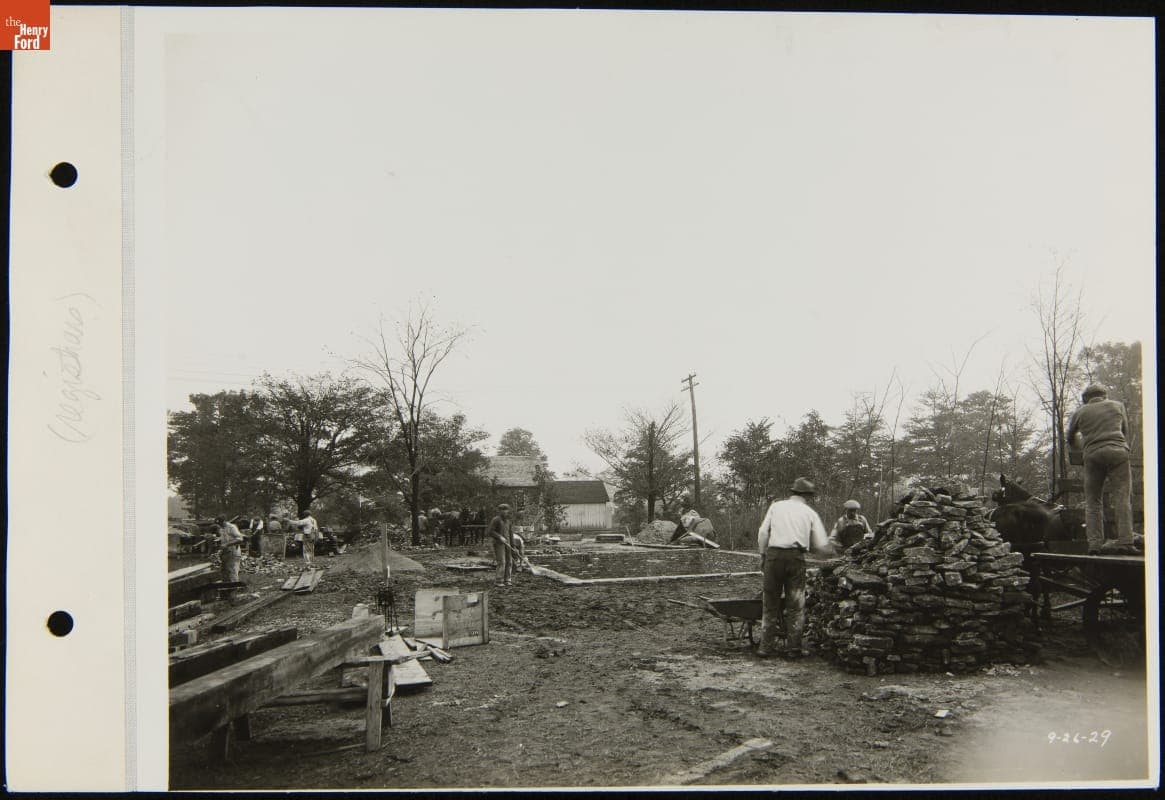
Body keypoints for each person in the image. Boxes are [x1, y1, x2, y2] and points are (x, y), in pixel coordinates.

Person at [755, 477, 834, 659]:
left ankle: (765, 648)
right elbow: (821, 545)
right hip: (795, 558)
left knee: (770, 604)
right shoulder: (809, 513)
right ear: (807, 495)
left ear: (792, 492)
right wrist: (830, 552)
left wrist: (762, 555)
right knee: (796, 605)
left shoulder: (776, 506)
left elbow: (762, 533)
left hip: (773, 557)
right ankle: (794, 649)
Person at [1066, 384, 1137, 555]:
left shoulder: (1080, 412)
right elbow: (1125, 431)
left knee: (1093, 501)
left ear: (1086, 398)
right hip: (1118, 452)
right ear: (1104, 395)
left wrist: (1082, 449)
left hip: (1092, 456)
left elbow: (1070, 437)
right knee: (1122, 497)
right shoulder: (1117, 406)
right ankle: (1126, 541)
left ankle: (1095, 545)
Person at [488, 503, 516, 588]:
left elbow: (511, 534)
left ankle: (507, 579)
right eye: (502, 510)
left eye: (506, 510)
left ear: (508, 511)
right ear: (499, 511)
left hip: (508, 544)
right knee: (502, 562)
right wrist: (500, 537)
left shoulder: (508, 521)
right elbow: (490, 531)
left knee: (509, 561)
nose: (504, 512)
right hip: (499, 544)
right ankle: (499, 580)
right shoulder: (496, 520)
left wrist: (513, 546)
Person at [216, 515, 245, 582]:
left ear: (224, 521)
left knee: (232, 570)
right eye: (218, 524)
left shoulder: (232, 527)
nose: (219, 525)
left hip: (234, 551)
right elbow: (224, 539)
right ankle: (226, 586)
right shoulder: (221, 529)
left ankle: (235, 587)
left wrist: (227, 544)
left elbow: (240, 539)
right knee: (224, 570)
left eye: (220, 523)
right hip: (226, 552)